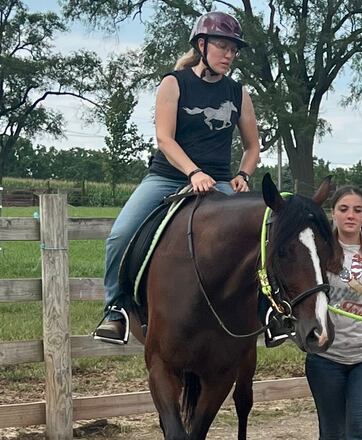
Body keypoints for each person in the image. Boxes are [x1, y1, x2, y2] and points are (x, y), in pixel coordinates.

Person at [94, 11, 260, 342]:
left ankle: (265, 312)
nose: (229, 55)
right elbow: (164, 139)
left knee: (256, 239)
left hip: (219, 182)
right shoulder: (174, 83)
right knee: (120, 234)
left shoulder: (237, 92)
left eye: (234, 49)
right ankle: (115, 310)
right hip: (168, 177)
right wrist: (193, 172)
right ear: (202, 45)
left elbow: (253, 146)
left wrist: (243, 173)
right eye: (223, 46)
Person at [305, 186, 362, 440]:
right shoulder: (318, 253)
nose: (350, 215)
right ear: (333, 213)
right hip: (327, 355)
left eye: (357, 210)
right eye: (343, 209)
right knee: (332, 433)